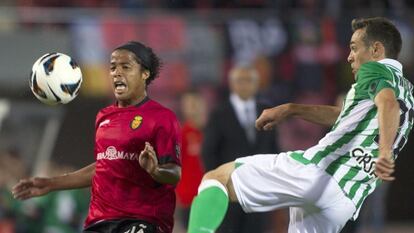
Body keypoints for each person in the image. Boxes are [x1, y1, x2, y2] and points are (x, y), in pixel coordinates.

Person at [187, 17, 414, 233]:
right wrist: (292, 109)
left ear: (376, 50)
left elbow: (387, 103)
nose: (350, 57)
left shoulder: (374, 71)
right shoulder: (408, 93)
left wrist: (385, 152)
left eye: (355, 47)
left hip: (321, 173)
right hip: (346, 199)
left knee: (217, 179)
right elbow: (347, 116)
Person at [12, 41, 182, 233]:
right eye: (112, 67)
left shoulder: (162, 118)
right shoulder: (104, 117)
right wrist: (51, 183)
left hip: (144, 219)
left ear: (145, 73)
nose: (117, 72)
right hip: (101, 220)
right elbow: (104, 168)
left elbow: (174, 174)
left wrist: (155, 170)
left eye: (125, 67)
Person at [201, 65, 279, 233]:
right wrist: (216, 184)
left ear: (257, 84)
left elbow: (274, 151)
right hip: (229, 191)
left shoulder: (267, 112)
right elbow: (209, 152)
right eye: (239, 80)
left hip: (259, 191)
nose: (244, 84)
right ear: (231, 84)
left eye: (249, 80)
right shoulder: (218, 114)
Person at [175, 90, 207, 230]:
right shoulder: (181, 134)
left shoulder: (213, 131)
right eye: (188, 104)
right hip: (190, 197)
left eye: (195, 103)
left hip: (211, 193)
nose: (192, 107)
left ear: (203, 105)